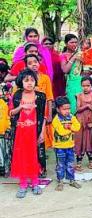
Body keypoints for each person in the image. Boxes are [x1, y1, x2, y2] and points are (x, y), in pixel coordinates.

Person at [9, 69, 46, 198]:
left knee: (34, 156)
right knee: (22, 156)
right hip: (21, 131)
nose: (29, 83)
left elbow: (43, 116)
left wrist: (42, 132)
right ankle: (23, 184)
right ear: (21, 82)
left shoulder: (41, 96)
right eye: (26, 80)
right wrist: (21, 107)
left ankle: (35, 182)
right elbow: (11, 113)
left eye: (32, 80)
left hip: (34, 131)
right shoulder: (17, 95)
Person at [24, 54, 54, 160]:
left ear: (39, 63)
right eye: (30, 63)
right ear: (26, 66)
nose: (33, 65)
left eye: (35, 62)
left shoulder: (45, 78)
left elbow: (49, 97)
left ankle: (40, 163)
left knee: (41, 137)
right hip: (28, 113)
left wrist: (49, 114)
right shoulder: (23, 79)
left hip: (43, 112)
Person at [52, 96, 81, 191]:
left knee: (70, 163)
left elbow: (77, 127)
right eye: (64, 109)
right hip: (59, 146)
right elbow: (61, 132)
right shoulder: (56, 119)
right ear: (58, 109)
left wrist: (69, 127)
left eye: (68, 108)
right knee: (60, 164)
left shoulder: (71, 117)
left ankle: (71, 180)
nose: (67, 111)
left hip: (70, 145)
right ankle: (60, 181)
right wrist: (70, 128)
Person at [74, 76, 92, 170]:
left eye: (88, 85)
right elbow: (77, 109)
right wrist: (87, 106)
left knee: (90, 140)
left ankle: (91, 160)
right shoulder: (79, 95)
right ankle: (79, 161)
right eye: (83, 86)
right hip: (81, 121)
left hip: (91, 122)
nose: (85, 88)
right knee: (80, 141)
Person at [61, 34, 83, 114]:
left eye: (76, 42)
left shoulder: (81, 54)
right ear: (66, 43)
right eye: (72, 42)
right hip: (71, 84)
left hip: (81, 83)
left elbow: (82, 70)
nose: (74, 44)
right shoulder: (63, 56)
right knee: (73, 106)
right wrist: (73, 58)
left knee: (82, 105)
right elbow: (65, 70)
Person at [0, 97, 11, 177]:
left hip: (3, 133)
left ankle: (6, 170)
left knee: (5, 152)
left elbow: (7, 117)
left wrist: (7, 129)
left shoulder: (3, 104)